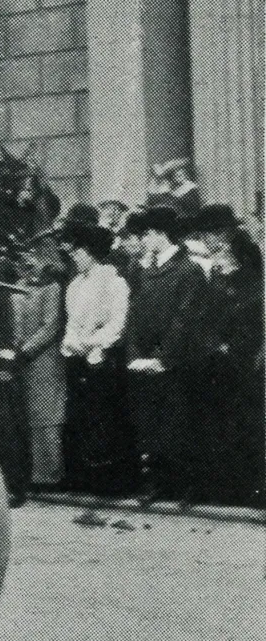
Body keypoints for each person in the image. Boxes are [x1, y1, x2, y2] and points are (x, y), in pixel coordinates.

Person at [123, 206, 207, 506]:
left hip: (175, 364)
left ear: (160, 234)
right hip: (145, 362)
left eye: (146, 234)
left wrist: (162, 358)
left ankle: (187, 487)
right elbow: (132, 314)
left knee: (178, 424)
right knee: (150, 424)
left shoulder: (189, 271)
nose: (142, 240)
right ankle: (158, 483)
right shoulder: (143, 270)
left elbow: (184, 320)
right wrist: (134, 354)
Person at [186, 205, 264, 507]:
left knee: (240, 422)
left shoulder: (248, 273)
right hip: (215, 359)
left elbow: (250, 313)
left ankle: (245, 488)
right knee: (217, 423)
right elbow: (204, 315)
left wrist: (229, 345)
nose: (204, 241)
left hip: (239, 360)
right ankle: (221, 487)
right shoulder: (216, 273)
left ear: (221, 236)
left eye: (207, 235)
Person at [58, 223, 134, 494]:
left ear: (91, 252)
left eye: (78, 252)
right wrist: (71, 343)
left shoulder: (115, 283)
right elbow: (70, 324)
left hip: (103, 360)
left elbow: (117, 324)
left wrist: (90, 343)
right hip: (78, 360)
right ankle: (85, 479)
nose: (74, 257)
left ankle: (111, 483)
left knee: (106, 419)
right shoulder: (74, 286)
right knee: (81, 418)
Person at [7, 251, 68, 490]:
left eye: (31, 260)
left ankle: (50, 475)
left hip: (44, 361)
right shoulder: (17, 287)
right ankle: (30, 474)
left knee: (47, 418)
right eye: (22, 261)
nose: (26, 265)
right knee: (26, 418)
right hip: (20, 362)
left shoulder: (51, 288)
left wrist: (26, 351)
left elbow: (51, 325)